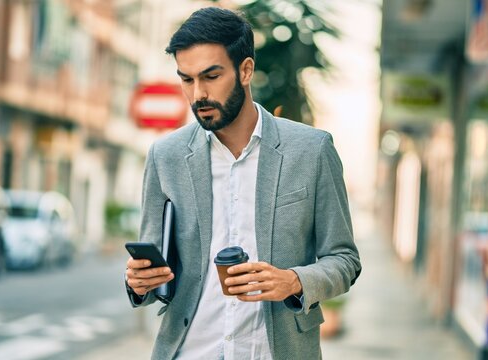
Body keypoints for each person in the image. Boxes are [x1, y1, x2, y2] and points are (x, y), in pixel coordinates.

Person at [125, 7, 361, 360]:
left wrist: (294, 280)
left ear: (246, 69)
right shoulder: (166, 156)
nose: (198, 94)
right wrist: (140, 283)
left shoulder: (311, 151)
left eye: (211, 76)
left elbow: (344, 260)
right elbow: (155, 267)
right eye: (187, 79)